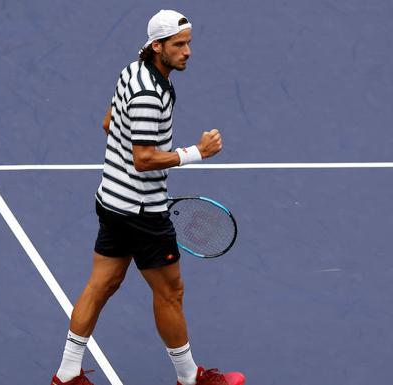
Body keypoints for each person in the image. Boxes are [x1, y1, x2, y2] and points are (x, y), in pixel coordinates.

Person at [50, 10, 246, 385]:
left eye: (188, 42)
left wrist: (127, 163)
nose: (187, 51)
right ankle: (190, 380)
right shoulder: (149, 93)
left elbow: (110, 123)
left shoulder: (131, 71)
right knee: (171, 292)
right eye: (179, 44)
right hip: (142, 211)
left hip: (112, 200)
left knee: (101, 284)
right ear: (158, 47)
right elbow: (143, 159)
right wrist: (196, 152)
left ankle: (67, 374)